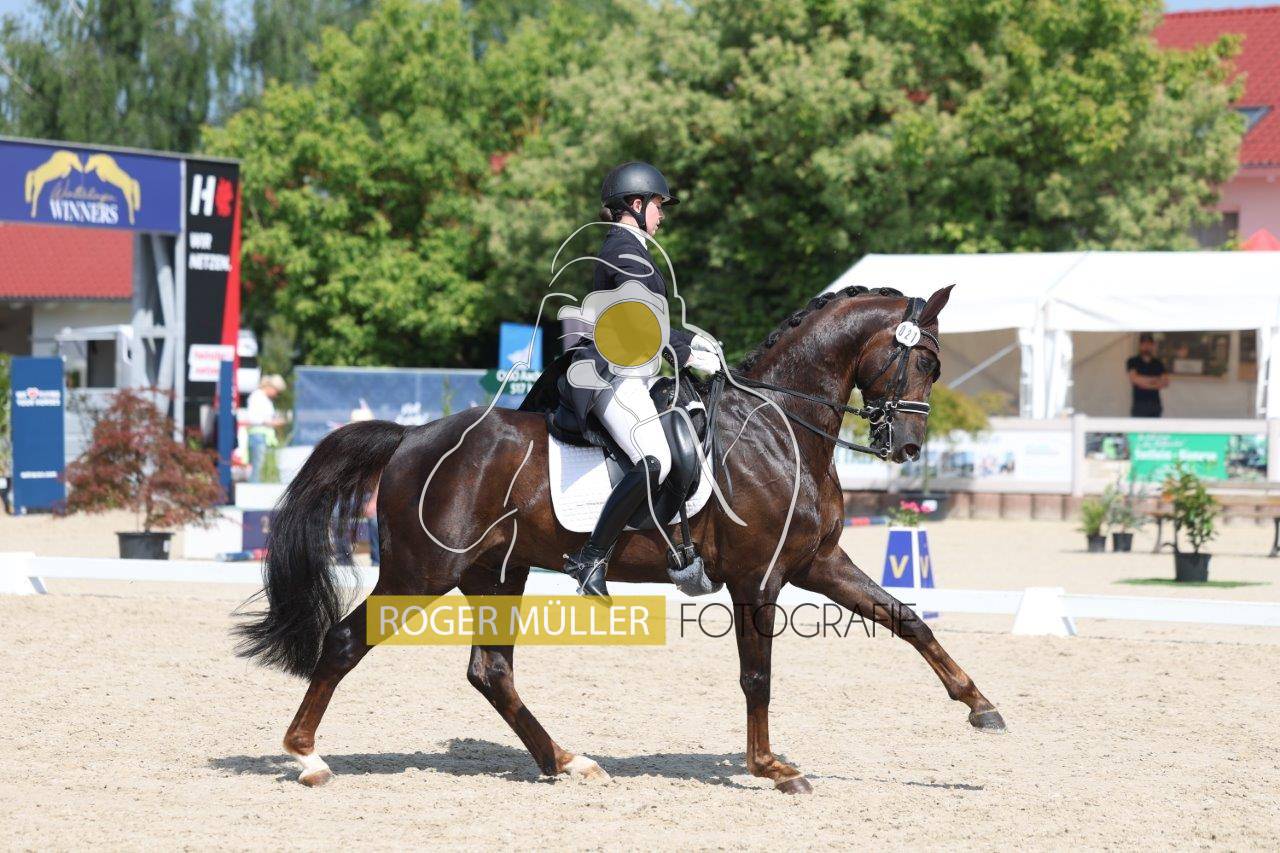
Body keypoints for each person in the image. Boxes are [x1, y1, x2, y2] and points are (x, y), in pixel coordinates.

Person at [561, 161, 721, 598]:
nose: (661, 215)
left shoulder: (632, 248)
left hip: (635, 374)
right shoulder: (621, 249)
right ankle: (590, 558)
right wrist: (686, 351)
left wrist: (692, 341)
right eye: (657, 205)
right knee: (654, 458)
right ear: (636, 203)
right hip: (612, 377)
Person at [245, 374, 286, 482]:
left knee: (263, 469)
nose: (276, 395)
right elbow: (253, 418)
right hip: (258, 436)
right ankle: (254, 488)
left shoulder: (266, 399)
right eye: (277, 392)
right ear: (271, 387)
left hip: (265, 436)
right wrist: (272, 422)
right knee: (258, 468)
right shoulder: (256, 396)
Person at [1126, 333, 1168, 418]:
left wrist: (1143, 382)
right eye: (1144, 343)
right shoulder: (1132, 361)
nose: (1146, 346)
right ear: (1140, 345)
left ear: (1153, 346)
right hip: (1139, 404)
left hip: (1155, 404)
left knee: (1155, 426)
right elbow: (1134, 379)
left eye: (1149, 344)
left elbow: (1165, 382)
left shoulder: (1158, 363)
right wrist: (1155, 380)